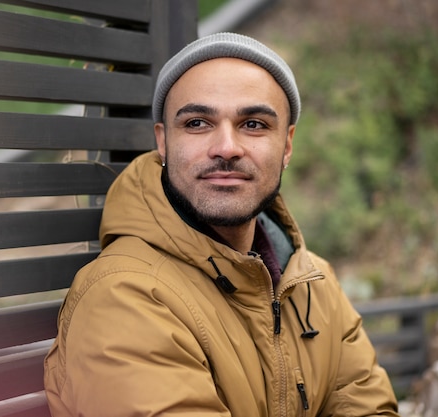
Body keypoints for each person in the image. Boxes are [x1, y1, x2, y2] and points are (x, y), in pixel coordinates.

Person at [44, 32, 399, 416]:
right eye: (197, 123)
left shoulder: (314, 284)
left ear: (288, 145)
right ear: (163, 142)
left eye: (254, 124)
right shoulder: (123, 299)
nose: (227, 147)